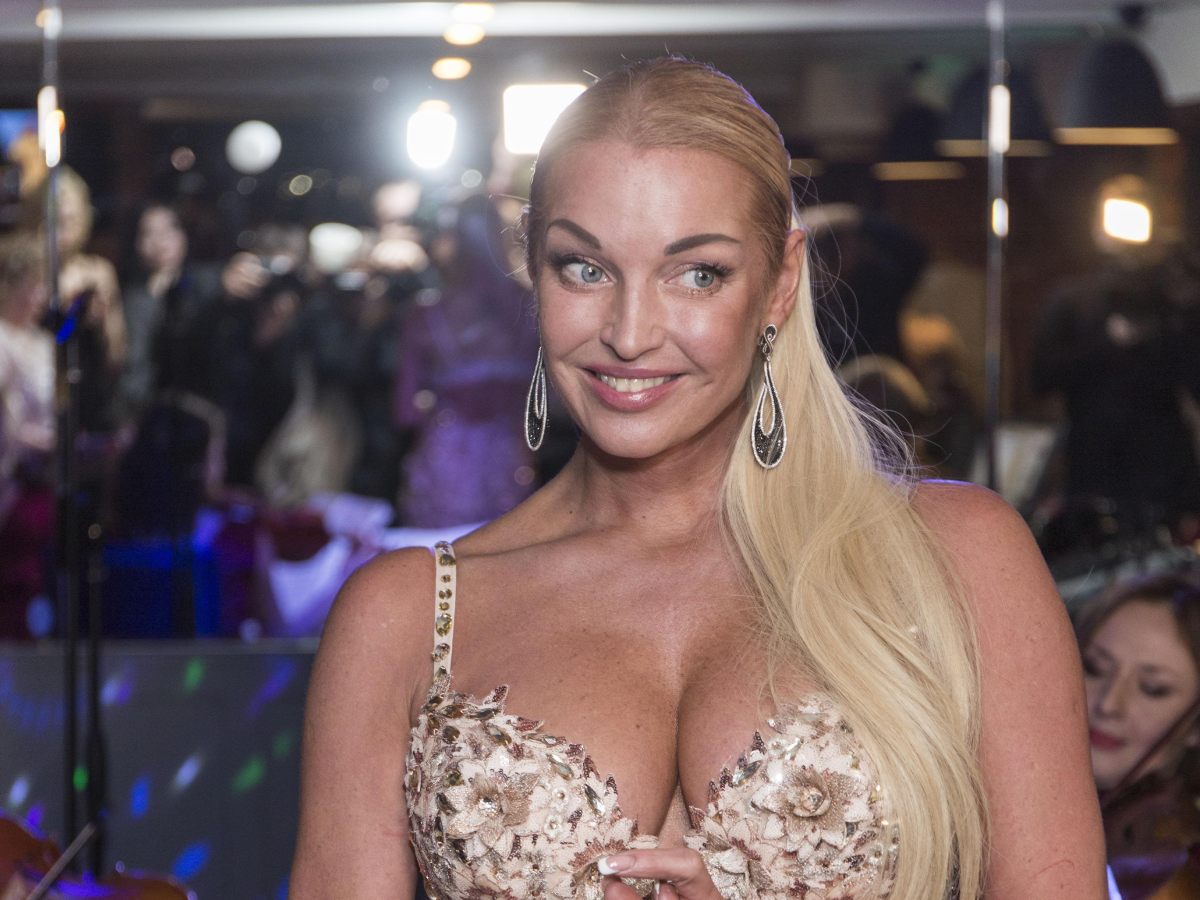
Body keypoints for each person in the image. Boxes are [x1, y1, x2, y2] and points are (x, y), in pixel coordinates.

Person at [292, 58, 1104, 898]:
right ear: (530, 265)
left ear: (780, 283)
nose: (630, 333)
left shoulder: (959, 561)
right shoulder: (404, 616)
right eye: (585, 267)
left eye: (698, 273)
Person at [1077, 571, 1200, 899]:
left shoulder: (1176, 872)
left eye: (1153, 688)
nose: (1108, 704)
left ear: (1195, 727)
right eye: (1094, 667)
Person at [0, 231, 54, 636]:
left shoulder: (44, 343)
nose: (38, 295)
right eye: (30, 285)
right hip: (9, 478)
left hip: (40, 478)